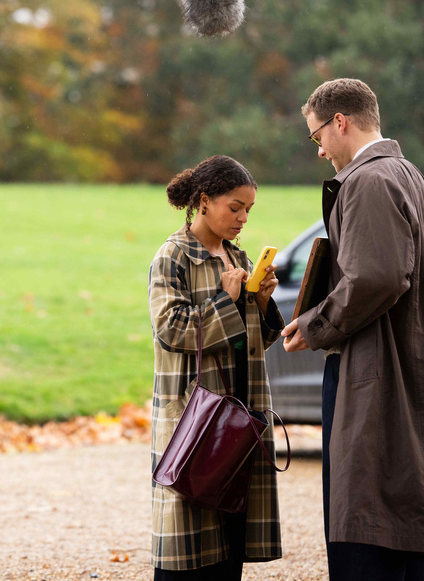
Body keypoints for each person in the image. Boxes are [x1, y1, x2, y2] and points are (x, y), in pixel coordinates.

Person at [282, 78, 424, 581]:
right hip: (409, 372)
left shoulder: (367, 181)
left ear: (340, 122)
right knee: (398, 524)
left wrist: (316, 325)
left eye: (317, 136)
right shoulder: (413, 177)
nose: (319, 150)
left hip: (371, 379)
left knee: (363, 524)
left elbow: (377, 278)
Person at [148, 155, 284, 579]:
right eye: (235, 207)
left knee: (230, 546)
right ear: (204, 201)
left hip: (240, 416)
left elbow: (251, 341)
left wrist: (261, 303)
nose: (243, 218)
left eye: (249, 210)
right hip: (196, 417)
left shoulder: (237, 256)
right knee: (188, 545)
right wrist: (225, 300)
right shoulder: (173, 256)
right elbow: (171, 330)